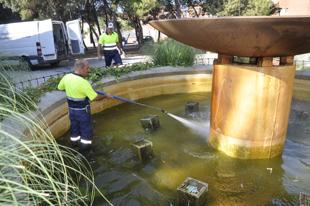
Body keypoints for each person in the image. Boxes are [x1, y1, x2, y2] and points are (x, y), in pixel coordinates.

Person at [57, 59, 109, 151]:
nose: (88, 70)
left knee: (74, 127)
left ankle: (74, 144)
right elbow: (94, 97)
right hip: (82, 112)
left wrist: (72, 88)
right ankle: (85, 150)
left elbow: (60, 87)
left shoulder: (67, 77)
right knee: (86, 130)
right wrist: (105, 96)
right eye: (87, 68)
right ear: (81, 69)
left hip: (72, 111)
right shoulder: (84, 83)